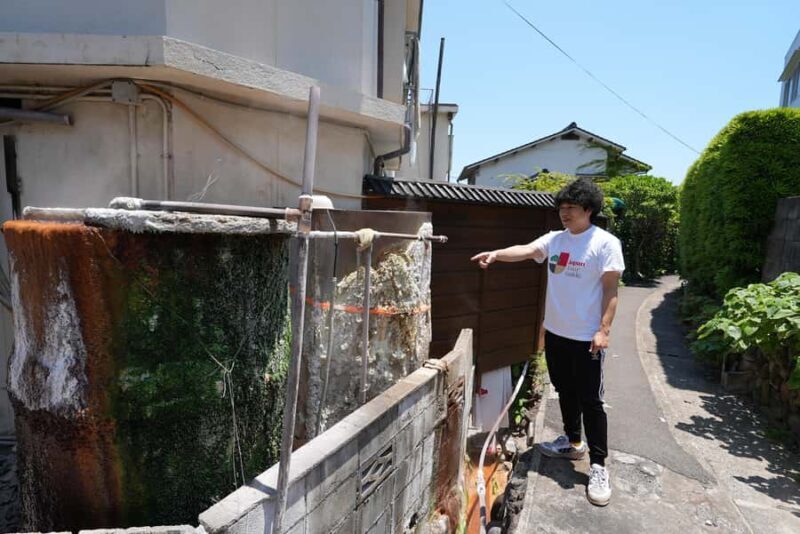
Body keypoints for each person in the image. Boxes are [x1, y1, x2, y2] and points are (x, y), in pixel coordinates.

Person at [470, 178, 623, 507]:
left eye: (570, 208)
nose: (563, 213)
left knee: (591, 401)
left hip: (586, 338)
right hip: (556, 333)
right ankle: (572, 442)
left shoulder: (605, 243)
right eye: (561, 208)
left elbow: (611, 290)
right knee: (565, 391)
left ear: (588, 210)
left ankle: (598, 465)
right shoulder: (556, 240)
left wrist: (604, 330)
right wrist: (496, 254)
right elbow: (526, 251)